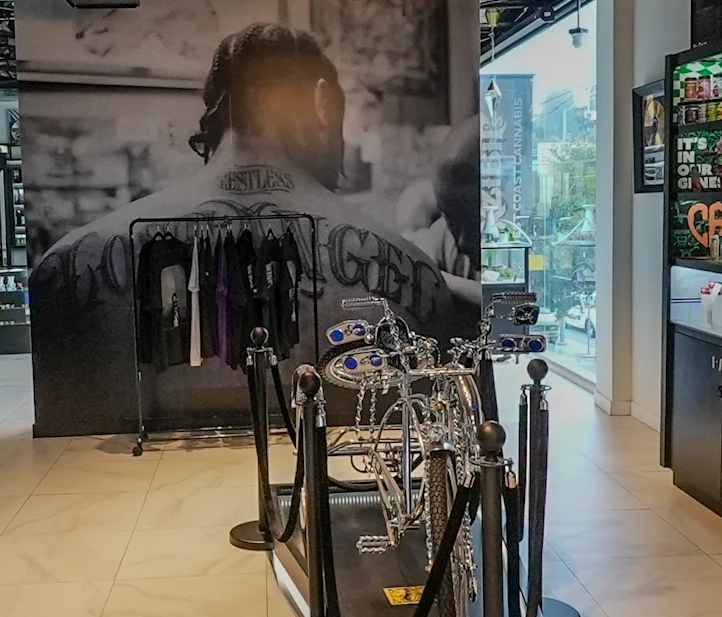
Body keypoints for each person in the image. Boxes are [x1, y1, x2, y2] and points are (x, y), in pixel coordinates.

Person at [29, 22, 480, 435]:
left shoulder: (66, 269)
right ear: (323, 102)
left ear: (218, 114)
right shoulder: (415, 276)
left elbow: (57, 440)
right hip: (335, 486)